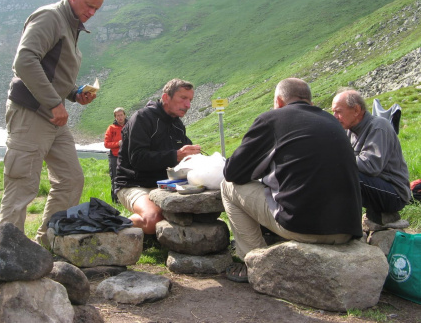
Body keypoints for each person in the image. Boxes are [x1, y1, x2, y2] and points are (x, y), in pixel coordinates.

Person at [221, 78, 362, 283]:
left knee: (228, 187)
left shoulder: (272, 119)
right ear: (310, 102)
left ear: (278, 101)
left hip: (302, 227)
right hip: (347, 228)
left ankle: (253, 261)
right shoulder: (333, 121)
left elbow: (232, 172)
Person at [0, 0, 105, 247]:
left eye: (97, 9)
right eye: (89, 5)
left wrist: (74, 93)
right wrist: (53, 102)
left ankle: (46, 246)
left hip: (53, 116)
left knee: (70, 179)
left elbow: (52, 72)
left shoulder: (70, 25)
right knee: (22, 183)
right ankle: (6, 252)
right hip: (31, 112)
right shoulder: (50, 16)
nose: (92, 12)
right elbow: (24, 60)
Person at [115, 78, 201, 235]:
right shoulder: (142, 118)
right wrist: (175, 155)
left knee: (196, 212)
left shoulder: (177, 124)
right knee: (154, 218)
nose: (188, 105)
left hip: (165, 184)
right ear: (166, 98)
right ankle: (110, 224)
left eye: (190, 100)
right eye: (183, 98)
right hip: (134, 184)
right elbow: (138, 159)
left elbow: (184, 156)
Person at [331, 89, 411, 230]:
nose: (335, 116)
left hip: (395, 193)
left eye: (338, 111)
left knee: (346, 174)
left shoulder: (379, 127)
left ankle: (344, 226)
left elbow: (370, 166)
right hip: (376, 186)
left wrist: (338, 159)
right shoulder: (348, 130)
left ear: (356, 110)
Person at [104, 107, 127, 203]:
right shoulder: (111, 128)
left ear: (125, 115)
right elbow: (106, 144)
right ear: (115, 117)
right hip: (115, 156)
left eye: (121, 115)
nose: (120, 117)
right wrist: (118, 143)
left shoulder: (130, 125)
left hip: (128, 156)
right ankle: (116, 201)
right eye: (118, 116)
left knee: (128, 177)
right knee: (115, 178)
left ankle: (126, 200)